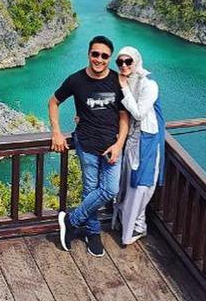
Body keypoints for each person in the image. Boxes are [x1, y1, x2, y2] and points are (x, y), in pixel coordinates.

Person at [48, 35, 129, 258]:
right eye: (95, 54)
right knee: (90, 190)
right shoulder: (76, 80)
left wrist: (120, 143)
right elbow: (53, 102)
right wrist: (56, 131)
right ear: (89, 54)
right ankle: (92, 232)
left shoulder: (117, 81)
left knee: (110, 189)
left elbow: (124, 116)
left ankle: (71, 220)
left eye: (104, 56)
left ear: (109, 58)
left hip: (112, 145)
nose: (99, 59)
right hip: (86, 144)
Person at [112, 46, 165, 245]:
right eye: (120, 62)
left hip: (147, 140)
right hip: (131, 139)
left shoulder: (148, 85)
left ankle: (136, 227)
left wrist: (123, 87)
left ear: (136, 62)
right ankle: (128, 224)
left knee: (140, 184)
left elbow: (139, 113)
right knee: (126, 182)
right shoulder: (125, 82)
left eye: (128, 61)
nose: (124, 65)